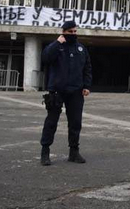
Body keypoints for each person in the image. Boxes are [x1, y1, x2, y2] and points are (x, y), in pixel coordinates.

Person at [40, 20, 92, 166]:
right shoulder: (56, 47)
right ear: (63, 32)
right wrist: (57, 43)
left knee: (75, 122)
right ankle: (45, 152)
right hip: (57, 90)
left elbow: (87, 68)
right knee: (51, 122)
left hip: (76, 90)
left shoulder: (81, 48)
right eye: (70, 32)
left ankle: (74, 152)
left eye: (75, 31)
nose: (73, 34)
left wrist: (87, 85)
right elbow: (45, 58)